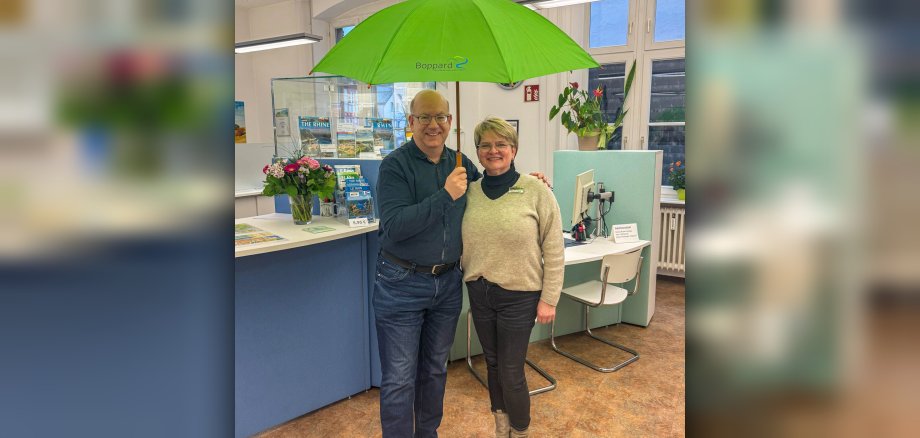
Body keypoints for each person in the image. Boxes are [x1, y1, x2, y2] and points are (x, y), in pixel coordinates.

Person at [373, 89, 480, 437]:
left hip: (448, 284)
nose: (433, 125)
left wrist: (527, 183)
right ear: (410, 122)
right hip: (401, 282)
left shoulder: (462, 164)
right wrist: (445, 195)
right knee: (400, 378)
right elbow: (395, 227)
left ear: (450, 122)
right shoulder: (395, 166)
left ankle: (427, 434)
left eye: (440, 117)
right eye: (424, 117)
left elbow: (491, 195)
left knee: (435, 369)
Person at [460, 117, 565, 438]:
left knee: (510, 369)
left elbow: (554, 246)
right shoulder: (469, 192)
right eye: (485, 145)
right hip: (480, 292)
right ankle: (500, 429)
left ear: (514, 149)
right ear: (477, 152)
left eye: (501, 144)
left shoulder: (536, 190)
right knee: (491, 365)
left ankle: (520, 432)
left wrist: (550, 298)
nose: (493, 151)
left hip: (520, 295)